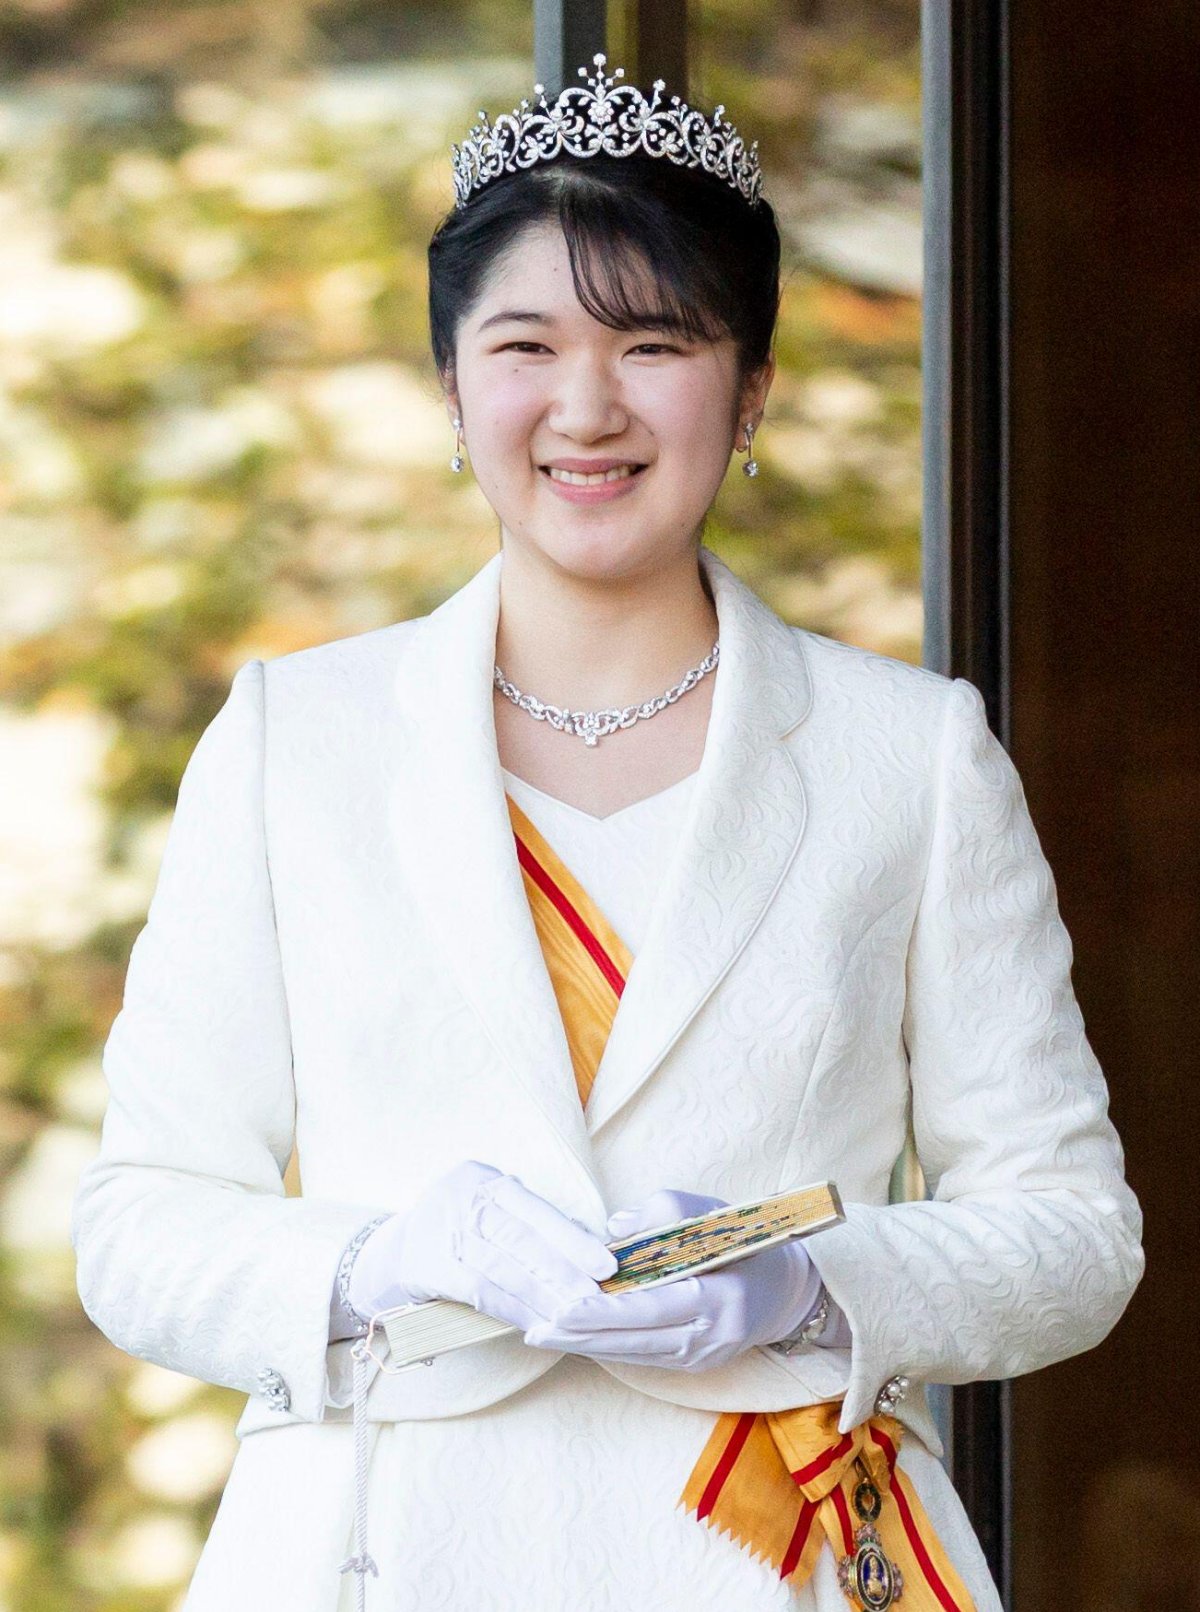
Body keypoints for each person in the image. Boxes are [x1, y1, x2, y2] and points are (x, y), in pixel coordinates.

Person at [70, 54, 1144, 1612]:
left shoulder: (908, 756)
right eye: (526, 345)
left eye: (654, 343)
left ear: (751, 388)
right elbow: (139, 1226)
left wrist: (812, 1289)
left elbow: (1073, 1232)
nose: (587, 407)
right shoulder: (294, 741)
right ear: (453, 389)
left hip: (773, 1549)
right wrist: (383, 1260)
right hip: (386, 1546)